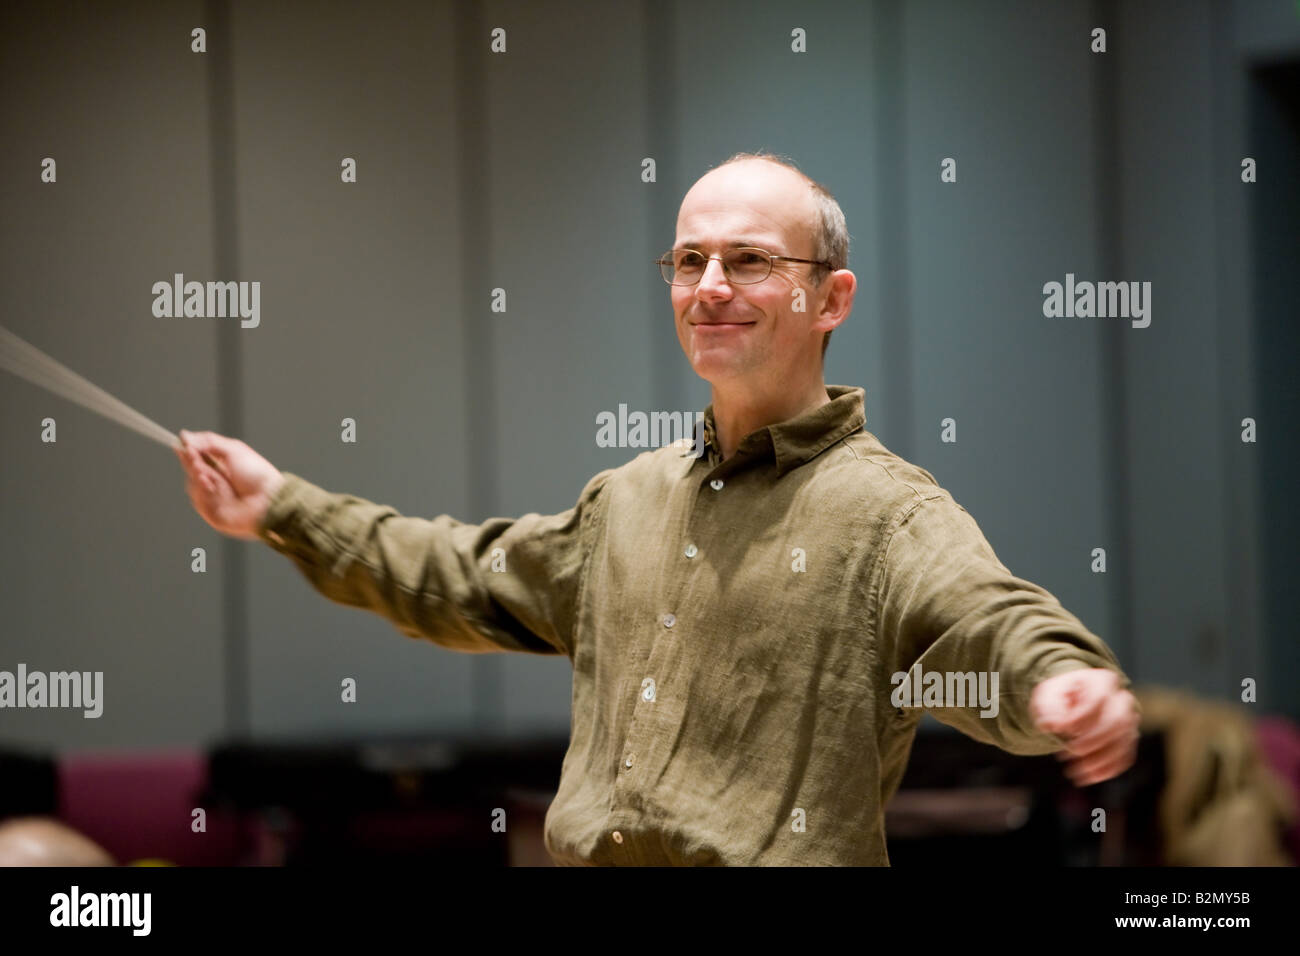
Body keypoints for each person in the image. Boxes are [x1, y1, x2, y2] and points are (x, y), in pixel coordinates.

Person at [176, 151, 1140, 865]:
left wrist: (1058, 683)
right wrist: (280, 506)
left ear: (831, 299)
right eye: (689, 262)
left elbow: (985, 622)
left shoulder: (886, 514)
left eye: (751, 261)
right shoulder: (627, 501)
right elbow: (460, 575)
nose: (710, 288)